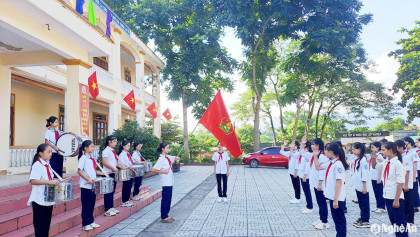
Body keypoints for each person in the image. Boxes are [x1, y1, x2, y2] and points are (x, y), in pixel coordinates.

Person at [372, 142, 408, 237]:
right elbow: (374, 166)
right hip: (387, 196)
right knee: (394, 222)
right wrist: (373, 158)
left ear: (390, 150)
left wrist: (396, 200)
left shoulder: (397, 164)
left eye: (383, 150)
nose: (382, 152)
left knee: (400, 222)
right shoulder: (386, 162)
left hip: (395, 197)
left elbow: (400, 182)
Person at [314, 142, 348, 237]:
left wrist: (336, 199)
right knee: (336, 220)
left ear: (331, 152)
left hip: (337, 197)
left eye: (326, 150)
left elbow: (339, 182)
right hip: (332, 196)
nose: (324, 152)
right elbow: (318, 167)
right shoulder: (330, 162)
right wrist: (315, 156)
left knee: (339, 220)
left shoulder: (338, 165)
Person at [28, 144, 59, 237]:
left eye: (51, 152)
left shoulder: (47, 164)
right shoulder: (37, 165)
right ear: (40, 153)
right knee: (40, 228)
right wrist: (48, 182)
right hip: (39, 200)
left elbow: (49, 179)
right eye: (48, 152)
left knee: (46, 227)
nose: (51, 154)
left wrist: (59, 181)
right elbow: (33, 181)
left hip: (47, 200)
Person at [77, 140, 104, 231]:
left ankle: (91, 221)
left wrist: (103, 173)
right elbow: (79, 171)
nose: (93, 148)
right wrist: (87, 179)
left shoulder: (91, 158)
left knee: (92, 204)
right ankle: (85, 223)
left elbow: (94, 171)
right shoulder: (83, 158)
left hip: (93, 185)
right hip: (85, 186)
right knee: (86, 205)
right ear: (86, 148)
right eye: (92, 146)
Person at [152, 142, 180, 223]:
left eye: (168, 147)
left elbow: (175, 158)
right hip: (165, 181)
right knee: (165, 199)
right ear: (162, 149)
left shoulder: (167, 157)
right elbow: (153, 169)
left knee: (168, 199)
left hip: (170, 181)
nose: (168, 149)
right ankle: (164, 216)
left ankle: (166, 215)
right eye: (167, 148)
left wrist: (176, 158)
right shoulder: (161, 159)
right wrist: (164, 172)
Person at [346, 142, 370, 228]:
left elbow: (365, 174)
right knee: (361, 203)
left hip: (362, 185)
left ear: (359, 150)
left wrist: (364, 186)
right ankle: (362, 217)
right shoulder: (356, 158)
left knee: (364, 203)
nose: (352, 151)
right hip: (357, 184)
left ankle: (366, 220)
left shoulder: (363, 160)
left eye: (354, 149)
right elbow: (348, 156)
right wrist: (348, 149)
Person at [310, 138, 330, 230]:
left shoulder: (322, 156)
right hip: (315, 182)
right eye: (312, 144)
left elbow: (322, 171)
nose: (312, 146)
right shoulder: (315, 155)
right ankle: (321, 219)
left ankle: (325, 222)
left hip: (320, 183)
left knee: (322, 202)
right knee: (319, 202)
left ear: (318, 146)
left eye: (314, 144)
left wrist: (319, 183)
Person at [397, 139, 415, 227]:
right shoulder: (399, 157)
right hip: (401, 184)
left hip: (406, 184)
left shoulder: (406, 157)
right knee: (403, 202)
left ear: (400, 148)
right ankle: (404, 219)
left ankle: (410, 221)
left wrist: (406, 185)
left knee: (409, 202)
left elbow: (407, 171)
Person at [102, 136, 120, 216]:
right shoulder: (106, 151)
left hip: (113, 172)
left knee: (112, 190)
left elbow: (116, 162)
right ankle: (107, 209)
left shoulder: (113, 151)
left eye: (116, 141)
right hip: (108, 173)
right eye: (114, 141)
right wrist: (113, 168)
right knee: (108, 191)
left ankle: (111, 207)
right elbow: (104, 162)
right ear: (109, 141)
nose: (116, 143)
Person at [369, 142, 387, 213]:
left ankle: (382, 207)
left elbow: (380, 168)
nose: (371, 148)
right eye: (371, 147)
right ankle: (378, 206)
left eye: (373, 147)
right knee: (376, 192)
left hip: (377, 177)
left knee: (379, 193)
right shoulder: (374, 155)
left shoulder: (379, 156)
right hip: (373, 177)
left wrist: (379, 178)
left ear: (378, 148)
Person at [280, 140, 301, 204]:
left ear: (296, 146)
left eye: (293, 145)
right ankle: (296, 197)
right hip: (291, 171)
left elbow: (297, 163)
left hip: (295, 172)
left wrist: (296, 171)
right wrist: (284, 145)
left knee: (297, 185)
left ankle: (298, 198)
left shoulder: (298, 153)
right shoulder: (291, 152)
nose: (291, 146)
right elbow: (281, 152)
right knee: (294, 185)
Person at [118, 141, 135, 207]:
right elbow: (120, 164)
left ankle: (127, 200)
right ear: (123, 146)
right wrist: (126, 167)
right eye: (127, 145)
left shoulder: (127, 154)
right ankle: (124, 201)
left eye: (129, 145)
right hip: (125, 172)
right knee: (126, 186)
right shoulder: (122, 155)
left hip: (129, 171)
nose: (129, 147)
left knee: (129, 186)